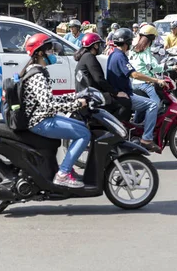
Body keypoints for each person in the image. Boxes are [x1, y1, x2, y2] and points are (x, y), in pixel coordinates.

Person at [21, 33, 89, 188]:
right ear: (39, 53)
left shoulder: (37, 71)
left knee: (81, 127)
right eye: (49, 50)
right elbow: (48, 105)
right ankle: (63, 174)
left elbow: (50, 99)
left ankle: (67, 168)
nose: (52, 54)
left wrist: (75, 96)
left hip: (43, 117)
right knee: (84, 134)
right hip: (40, 121)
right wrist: (77, 104)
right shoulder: (36, 75)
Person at [107, 28, 164, 152]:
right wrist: (156, 80)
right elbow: (135, 74)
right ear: (126, 42)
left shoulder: (114, 54)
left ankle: (139, 128)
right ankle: (147, 139)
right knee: (153, 105)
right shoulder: (120, 56)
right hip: (124, 95)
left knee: (146, 103)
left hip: (124, 91)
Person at [75, 33, 132, 121]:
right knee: (125, 103)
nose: (101, 47)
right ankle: (120, 131)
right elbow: (99, 80)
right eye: (99, 44)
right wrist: (116, 93)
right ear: (95, 46)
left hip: (88, 94)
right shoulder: (89, 57)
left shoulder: (84, 57)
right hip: (92, 96)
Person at [130, 24, 175, 107]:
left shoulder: (133, 49)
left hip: (134, 83)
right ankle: (150, 120)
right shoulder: (145, 51)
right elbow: (153, 67)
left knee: (143, 106)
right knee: (155, 104)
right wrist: (170, 67)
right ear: (152, 39)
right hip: (143, 83)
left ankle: (138, 120)